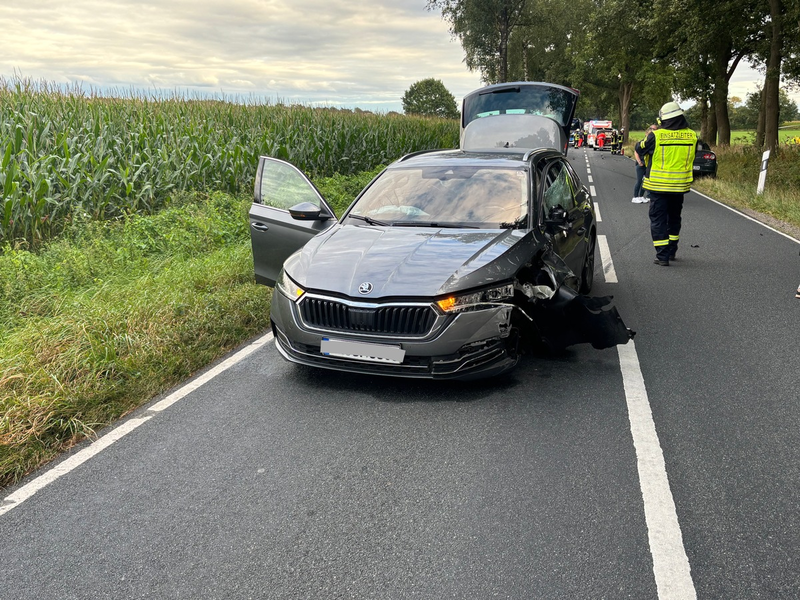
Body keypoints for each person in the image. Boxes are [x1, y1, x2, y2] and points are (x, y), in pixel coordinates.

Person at [635, 102, 697, 266]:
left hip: (658, 186)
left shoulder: (656, 135)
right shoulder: (692, 135)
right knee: (674, 218)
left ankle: (662, 256)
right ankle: (672, 251)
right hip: (679, 186)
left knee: (658, 220)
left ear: (663, 119)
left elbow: (640, 148)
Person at [632, 124, 657, 203]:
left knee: (644, 181)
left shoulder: (652, 144)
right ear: (646, 134)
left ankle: (641, 196)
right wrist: (639, 162)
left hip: (647, 165)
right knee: (639, 181)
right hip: (641, 164)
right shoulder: (642, 142)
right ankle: (635, 197)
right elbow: (636, 152)